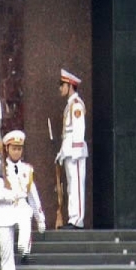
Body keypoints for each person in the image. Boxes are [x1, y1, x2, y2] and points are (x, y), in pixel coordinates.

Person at [0, 130, 46, 270]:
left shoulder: (27, 170)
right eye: (13, 148)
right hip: (5, 211)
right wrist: (7, 194)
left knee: (26, 215)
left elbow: (33, 196)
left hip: (21, 207)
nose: (17, 152)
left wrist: (40, 218)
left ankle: (24, 249)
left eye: (20, 149)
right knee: (6, 256)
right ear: (7, 149)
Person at [55, 69, 88, 230]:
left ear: (70, 85)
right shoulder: (69, 106)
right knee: (70, 187)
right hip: (69, 152)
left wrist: (75, 152)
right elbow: (66, 133)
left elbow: (79, 131)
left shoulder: (76, 106)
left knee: (76, 186)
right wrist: (62, 153)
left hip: (76, 152)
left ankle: (77, 220)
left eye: (62, 85)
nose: (60, 88)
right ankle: (72, 218)